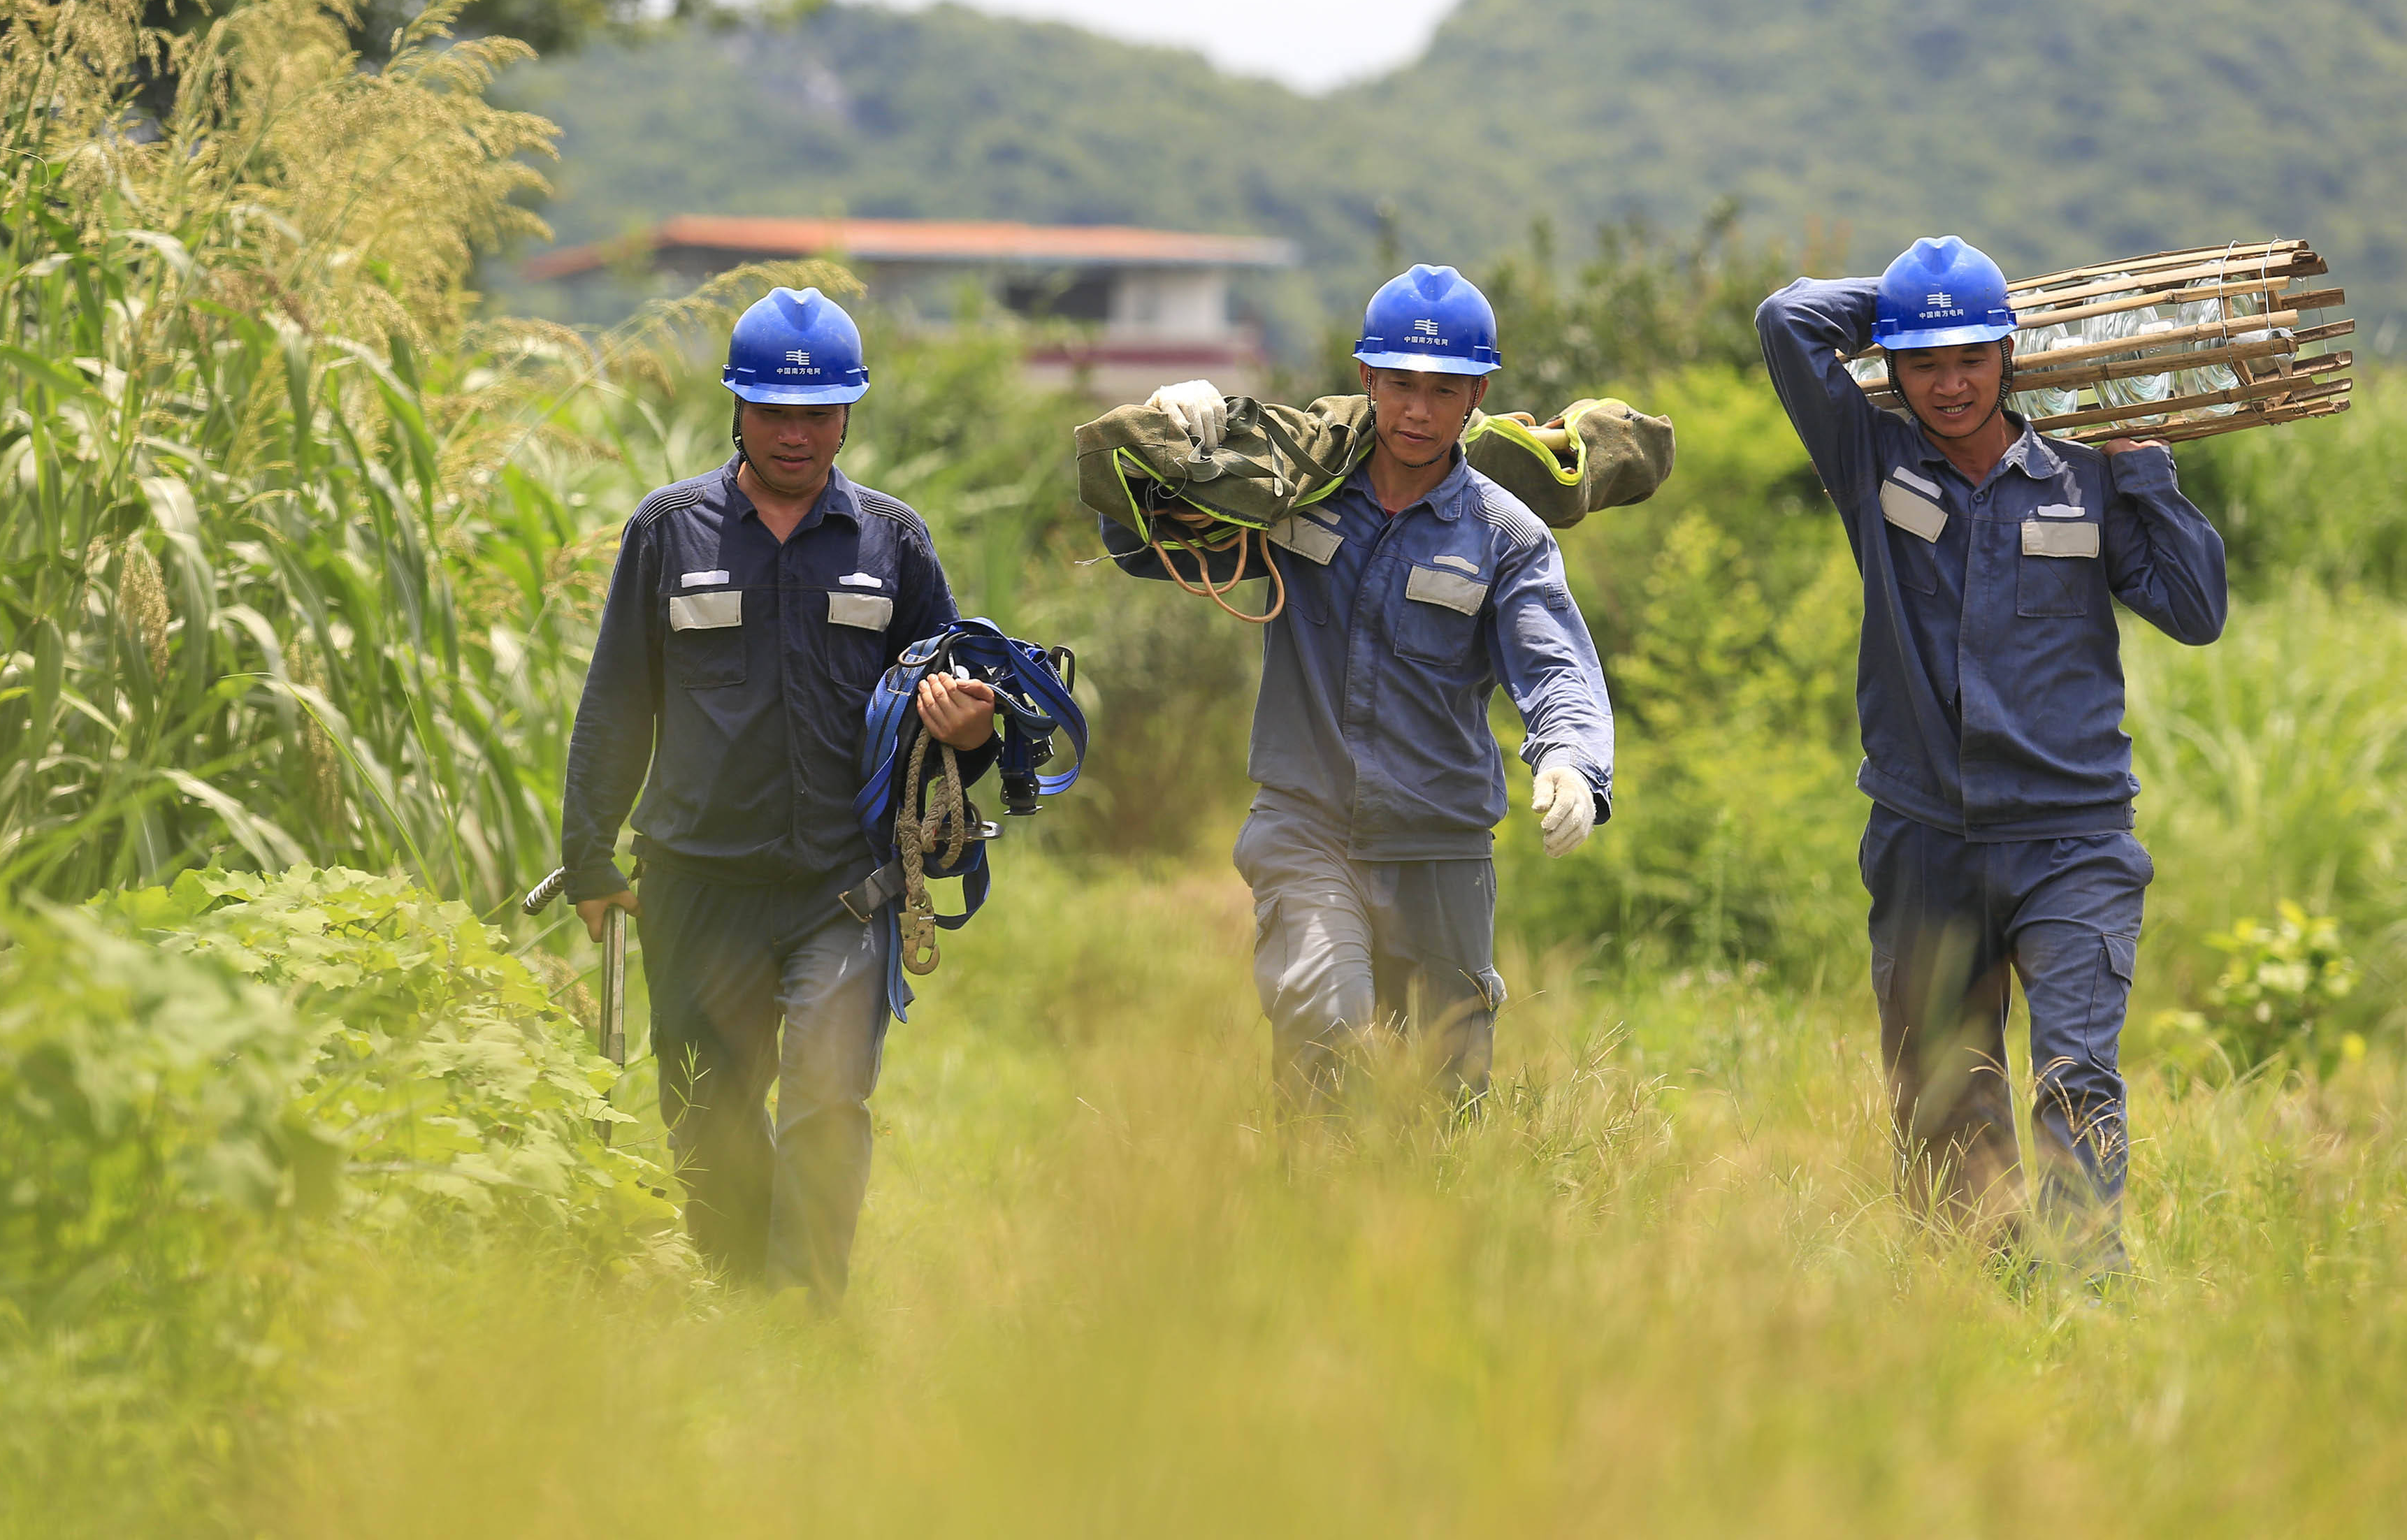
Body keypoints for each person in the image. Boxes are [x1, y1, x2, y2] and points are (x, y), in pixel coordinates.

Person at [1753, 236, 2227, 1267]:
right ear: (1890, 367)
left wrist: (2146, 468)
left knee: (2076, 1074)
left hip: (2074, 841)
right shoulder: (1870, 460)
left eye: (1972, 355)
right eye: (1924, 362)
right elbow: (1787, 320)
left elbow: (2196, 611)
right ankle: (1976, 1292)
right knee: (1942, 1089)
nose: (1951, 384)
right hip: (1927, 835)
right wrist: (1913, 299)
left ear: (2011, 354)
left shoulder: (2087, 476)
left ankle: (2086, 1288)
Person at [560, 286, 998, 1304]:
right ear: (737, 408)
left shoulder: (895, 544)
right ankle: (744, 1295)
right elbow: (617, 697)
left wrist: (970, 733)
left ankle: (806, 1311)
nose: (794, 433)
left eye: (818, 412)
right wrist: (588, 855)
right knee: (704, 1110)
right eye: (772, 410)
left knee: (826, 1099)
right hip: (697, 882)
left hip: (841, 885)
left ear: (848, 415)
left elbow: (948, 725)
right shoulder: (669, 532)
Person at [1103, 264, 1617, 1104]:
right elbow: (1144, 548)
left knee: (1445, 1098)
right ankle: (1309, 1187)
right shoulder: (1293, 492)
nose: (1418, 411)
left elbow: (1554, 665)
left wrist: (1571, 761)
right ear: (1366, 378)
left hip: (1440, 844)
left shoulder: (1505, 535)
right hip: (1306, 827)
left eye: (1443, 390)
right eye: (1401, 385)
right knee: (1327, 1033)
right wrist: (1163, 442)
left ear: (1477, 395)